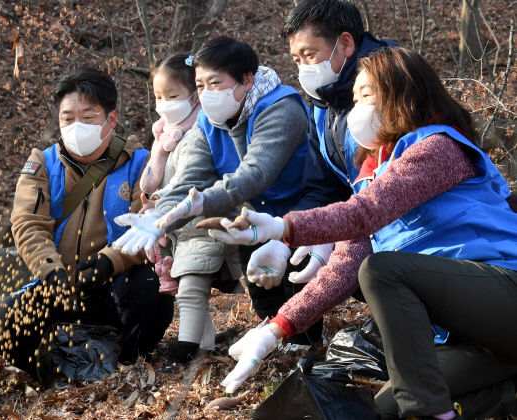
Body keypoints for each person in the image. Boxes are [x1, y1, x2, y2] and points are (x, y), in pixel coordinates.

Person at [207, 47, 517, 419]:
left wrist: (283, 226)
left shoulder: (438, 148)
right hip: (472, 338)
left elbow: (365, 214)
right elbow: (342, 268)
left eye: (366, 95)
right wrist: (276, 329)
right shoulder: (373, 174)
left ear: (402, 93)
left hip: (503, 294)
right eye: (354, 99)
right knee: (388, 406)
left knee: (381, 271)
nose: (357, 110)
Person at [112, 36, 313, 358]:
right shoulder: (207, 121)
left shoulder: (281, 109)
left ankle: (308, 348)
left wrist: (199, 203)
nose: (207, 94)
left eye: (215, 83)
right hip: (253, 219)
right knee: (264, 292)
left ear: (247, 79)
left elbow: (255, 173)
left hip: (302, 211)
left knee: (298, 289)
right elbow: (190, 177)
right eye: (201, 86)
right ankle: (281, 347)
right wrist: (159, 215)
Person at [0, 68, 174, 380]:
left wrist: (107, 262)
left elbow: (149, 230)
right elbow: (28, 224)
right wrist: (51, 271)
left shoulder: (142, 163)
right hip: (58, 284)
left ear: (110, 119)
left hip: (113, 284)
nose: (77, 126)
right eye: (68, 118)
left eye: (88, 117)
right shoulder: (42, 164)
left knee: (151, 290)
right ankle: (54, 371)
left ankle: (123, 365)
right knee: (2, 322)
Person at [137, 53, 242, 370]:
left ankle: (185, 350)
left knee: (192, 286)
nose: (164, 103)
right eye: (158, 96)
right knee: (188, 286)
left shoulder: (201, 131)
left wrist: (162, 200)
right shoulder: (164, 137)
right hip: (179, 229)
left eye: (172, 96)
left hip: (202, 223)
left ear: (194, 95)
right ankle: (203, 345)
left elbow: (191, 180)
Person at [277, 0, 394, 284]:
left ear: (345, 43)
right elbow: (321, 188)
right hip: (363, 224)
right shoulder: (321, 104)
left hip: (405, 228)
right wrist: (282, 235)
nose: (303, 67)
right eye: (297, 59)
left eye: (310, 54)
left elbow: (392, 193)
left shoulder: (391, 88)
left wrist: (335, 233)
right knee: (295, 249)